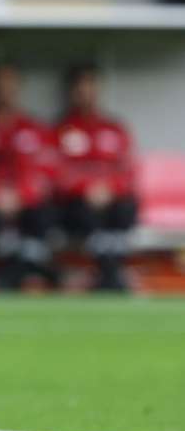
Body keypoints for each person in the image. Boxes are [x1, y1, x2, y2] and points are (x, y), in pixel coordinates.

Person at [0, 63, 58, 289]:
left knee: (43, 214)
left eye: (9, 85)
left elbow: (44, 171)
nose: (4, 91)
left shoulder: (32, 127)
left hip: (24, 203)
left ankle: (28, 270)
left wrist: (20, 196)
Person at [54, 65, 137, 291]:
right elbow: (57, 171)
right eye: (80, 86)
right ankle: (111, 277)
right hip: (78, 203)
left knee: (125, 208)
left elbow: (128, 170)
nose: (85, 91)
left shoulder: (114, 128)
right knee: (82, 212)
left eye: (90, 85)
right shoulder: (60, 130)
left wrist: (109, 188)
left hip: (112, 200)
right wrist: (85, 188)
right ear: (71, 91)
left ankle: (110, 273)